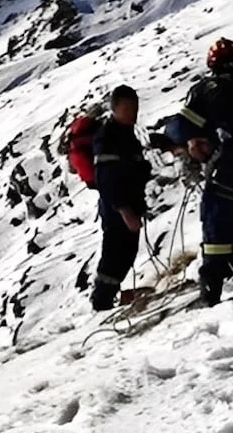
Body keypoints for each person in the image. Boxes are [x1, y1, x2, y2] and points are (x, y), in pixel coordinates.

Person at [165, 38, 233, 306]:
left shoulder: (208, 90)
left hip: (224, 169)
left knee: (215, 231)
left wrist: (183, 140)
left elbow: (180, 128)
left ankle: (210, 293)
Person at [91, 85, 153, 311]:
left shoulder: (126, 135)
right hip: (117, 209)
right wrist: (124, 210)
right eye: (127, 108)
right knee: (115, 254)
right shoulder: (107, 137)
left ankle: (108, 297)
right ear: (115, 108)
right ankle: (101, 302)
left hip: (129, 204)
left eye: (135, 108)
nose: (133, 113)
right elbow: (106, 179)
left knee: (125, 253)